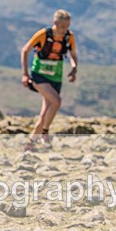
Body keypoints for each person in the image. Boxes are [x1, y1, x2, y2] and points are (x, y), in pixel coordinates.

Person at [21, 9, 78, 151]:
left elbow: (73, 54)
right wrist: (25, 74)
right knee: (56, 101)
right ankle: (45, 132)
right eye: (62, 26)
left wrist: (74, 68)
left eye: (67, 27)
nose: (64, 30)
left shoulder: (69, 37)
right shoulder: (43, 35)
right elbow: (25, 50)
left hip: (56, 77)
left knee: (46, 112)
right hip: (39, 76)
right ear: (55, 23)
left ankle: (31, 142)